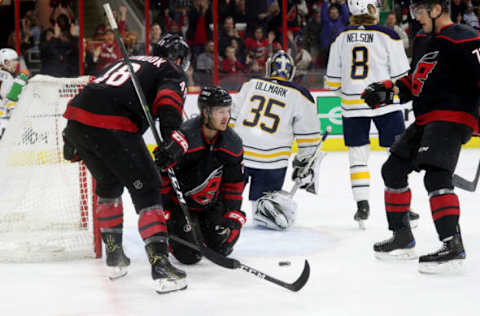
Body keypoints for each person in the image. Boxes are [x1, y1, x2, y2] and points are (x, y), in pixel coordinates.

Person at [62, 34, 191, 293]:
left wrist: (70, 135)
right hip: (112, 124)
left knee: (109, 183)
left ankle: (114, 256)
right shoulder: (171, 68)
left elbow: (94, 89)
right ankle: (161, 265)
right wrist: (173, 139)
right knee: (148, 188)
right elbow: (168, 101)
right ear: (180, 59)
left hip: (77, 120)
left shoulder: (127, 60)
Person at [362, 0, 480, 272]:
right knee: (392, 170)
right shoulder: (423, 39)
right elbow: (414, 80)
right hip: (426, 118)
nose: (416, 18)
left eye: (420, 12)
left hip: (453, 116)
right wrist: (387, 91)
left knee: (436, 175)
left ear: (437, 9)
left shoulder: (466, 37)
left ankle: (453, 245)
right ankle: (402, 236)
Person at [325, 0, 419, 228]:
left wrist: (352, 94)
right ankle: (403, 204)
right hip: (385, 103)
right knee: (397, 153)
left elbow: (332, 83)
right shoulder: (388, 35)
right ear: (371, 9)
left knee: (358, 156)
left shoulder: (340, 37)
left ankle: (362, 205)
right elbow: (401, 76)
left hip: (352, 104)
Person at [232, 50, 322, 231]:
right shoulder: (300, 94)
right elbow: (309, 138)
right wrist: (303, 164)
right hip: (272, 161)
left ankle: (224, 212)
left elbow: (231, 118)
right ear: (291, 72)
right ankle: (266, 206)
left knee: (227, 200)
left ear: (269, 68)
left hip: (240, 154)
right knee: (262, 216)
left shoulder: (251, 84)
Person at [155, 86, 246, 263]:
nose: (226, 117)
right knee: (189, 255)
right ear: (206, 112)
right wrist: (163, 210)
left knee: (221, 247)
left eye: (228, 111)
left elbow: (234, 184)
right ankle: (178, 230)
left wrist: (233, 215)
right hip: (181, 207)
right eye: (220, 111)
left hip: (211, 205)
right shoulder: (185, 138)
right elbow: (163, 175)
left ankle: (205, 229)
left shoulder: (232, 143)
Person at [0, 48, 29, 139]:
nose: (16, 63)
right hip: (2, 120)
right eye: (14, 61)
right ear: (5, 62)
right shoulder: (7, 77)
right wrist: (19, 83)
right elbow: (11, 98)